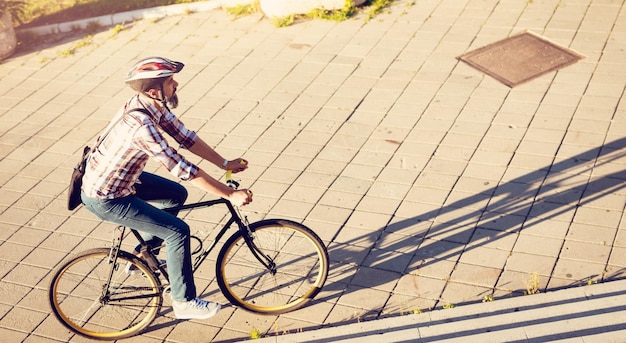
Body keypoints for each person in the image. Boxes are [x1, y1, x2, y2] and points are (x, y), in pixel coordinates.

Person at [81, 56, 252, 320]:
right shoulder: (142, 126)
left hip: (121, 179)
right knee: (177, 232)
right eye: (171, 82)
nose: (176, 84)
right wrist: (229, 193)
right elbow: (181, 167)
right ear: (154, 90)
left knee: (175, 195)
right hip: (107, 197)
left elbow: (185, 137)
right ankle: (184, 302)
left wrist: (224, 163)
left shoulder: (149, 104)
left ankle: (142, 256)